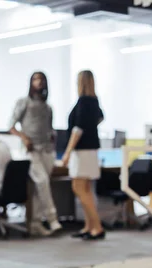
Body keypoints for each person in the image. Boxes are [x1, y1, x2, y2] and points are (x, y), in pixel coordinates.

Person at [9, 72, 61, 237]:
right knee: (42, 181)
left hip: (46, 149)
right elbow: (11, 125)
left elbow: (50, 128)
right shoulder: (23, 102)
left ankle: (35, 223)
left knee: (40, 188)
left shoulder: (47, 107)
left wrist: (52, 138)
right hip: (30, 150)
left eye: (41, 79)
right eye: (35, 79)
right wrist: (24, 138)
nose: (38, 82)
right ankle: (52, 218)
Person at [62, 70, 105, 240]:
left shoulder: (83, 102)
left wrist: (67, 152)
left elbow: (77, 130)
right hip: (92, 149)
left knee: (79, 188)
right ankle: (89, 226)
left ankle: (97, 226)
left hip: (82, 151)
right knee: (85, 189)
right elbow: (101, 118)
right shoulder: (94, 101)